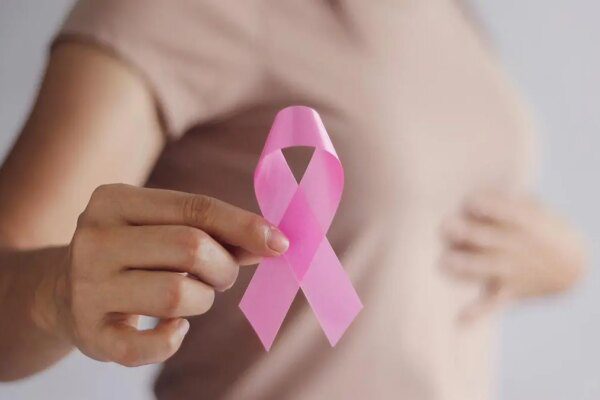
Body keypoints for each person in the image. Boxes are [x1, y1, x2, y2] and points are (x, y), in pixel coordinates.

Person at [0, 0, 586, 399]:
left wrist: (566, 266)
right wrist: (55, 296)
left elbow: (418, 213)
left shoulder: (454, 16)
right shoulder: (177, 10)